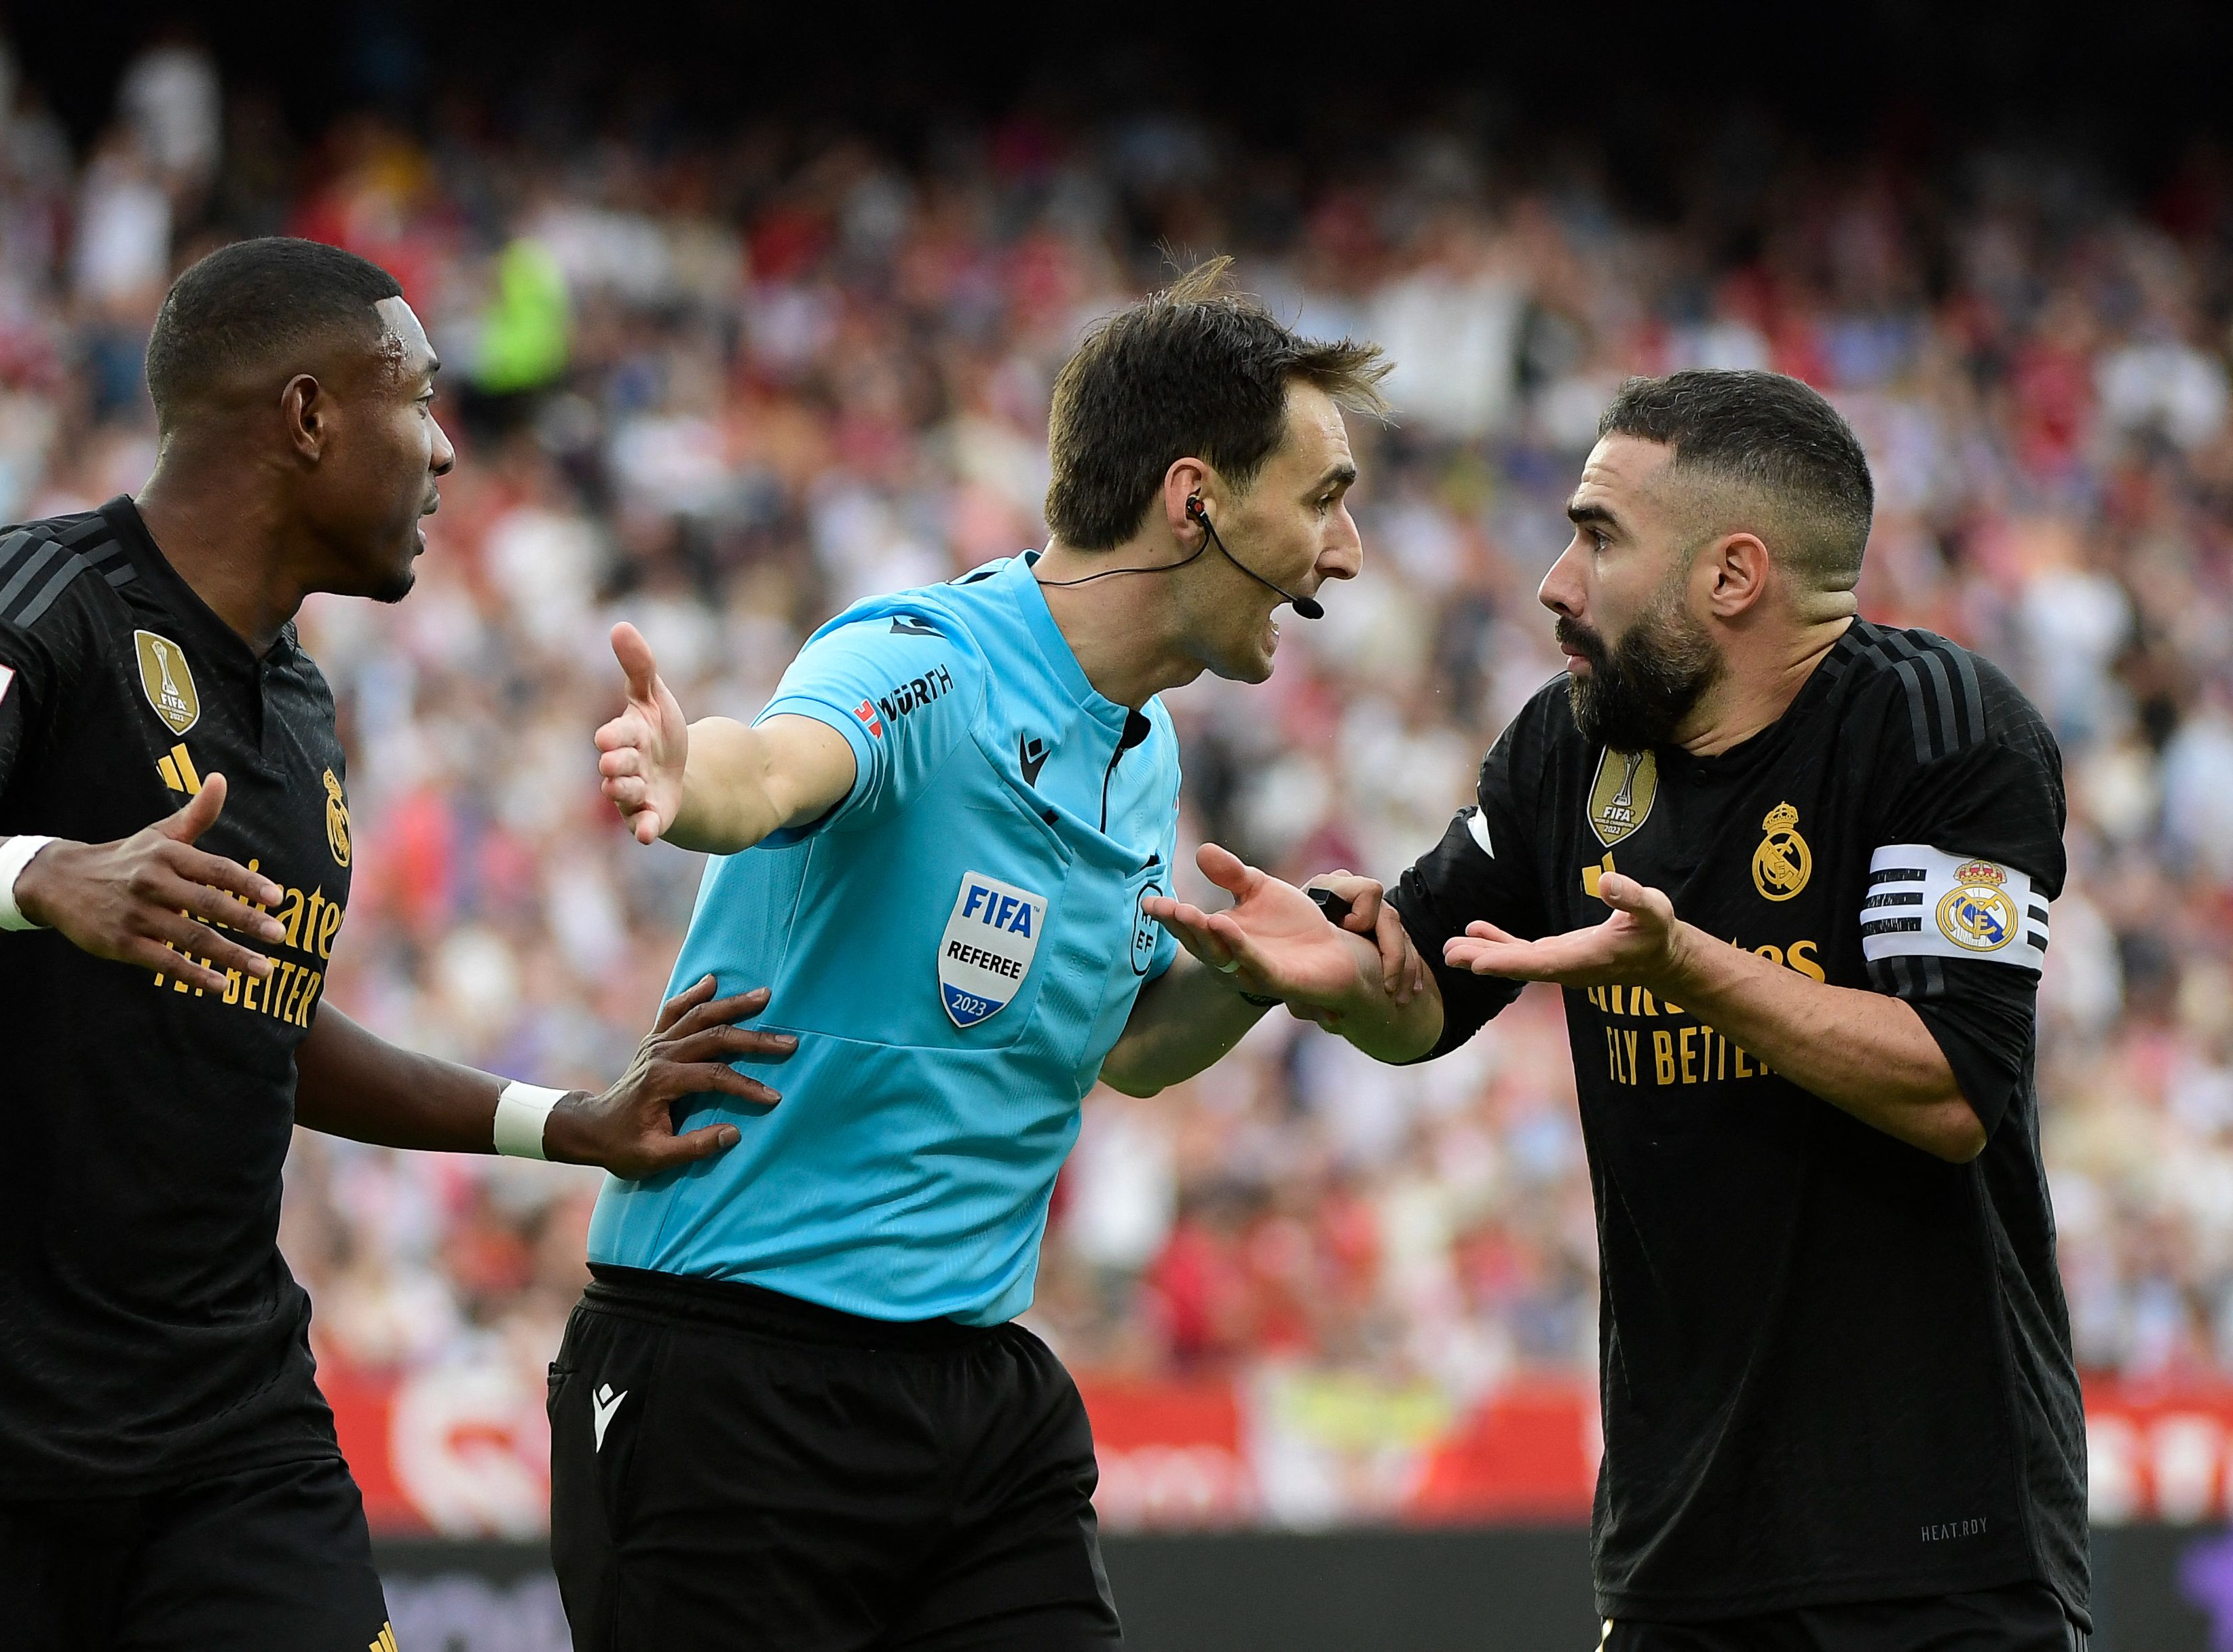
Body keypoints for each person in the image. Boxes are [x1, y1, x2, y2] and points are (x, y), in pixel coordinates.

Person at [0, 238, 789, 1652]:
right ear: (310, 415)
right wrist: (45, 874)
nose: (446, 451)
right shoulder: (32, 596)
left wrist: (566, 1120)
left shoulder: (300, 708)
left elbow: (268, 1024)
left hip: (228, 1436)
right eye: (419, 400)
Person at [1148, 369, 2090, 1650]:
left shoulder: (1942, 732)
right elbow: (1428, 985)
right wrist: (1341, 982)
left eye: (1597, 535)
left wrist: (1686, 964)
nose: (1555, 580)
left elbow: (1952, 1086)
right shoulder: (1570, 749)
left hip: (1939, 1551)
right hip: (1676, 1551)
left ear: (1734, 575)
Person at [565, 259, 1397, 1650]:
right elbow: (773, 768)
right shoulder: (927, 659)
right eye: (1321, 497)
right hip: (732, 1373)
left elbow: (1122, 1046)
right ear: (1194, 499)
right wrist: (680, 771)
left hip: (974, 1397)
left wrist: (1250, 977)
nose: (1347, 549)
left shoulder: (1143, 745)